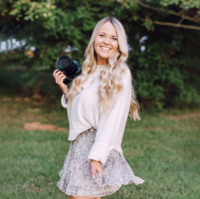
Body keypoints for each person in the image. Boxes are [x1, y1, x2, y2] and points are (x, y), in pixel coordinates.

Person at [53, 16, 145, 199]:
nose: (106, 41)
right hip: (79, 146)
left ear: (120, 44)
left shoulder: (121, 73)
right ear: (95, 38)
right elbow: (80, 115)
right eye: (102, 35)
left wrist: (97, 156)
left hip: (97, 145)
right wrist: (66, 92)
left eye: (113, 38)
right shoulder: (86, 71)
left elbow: (112, 119)